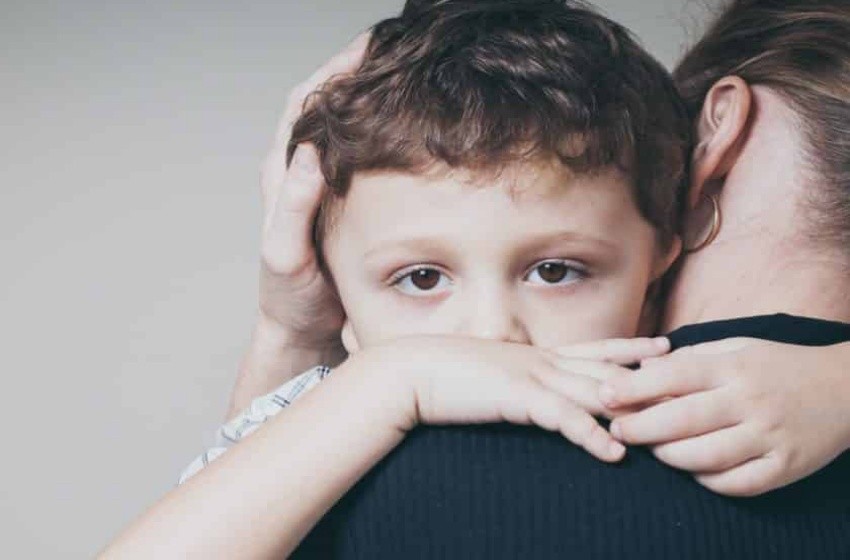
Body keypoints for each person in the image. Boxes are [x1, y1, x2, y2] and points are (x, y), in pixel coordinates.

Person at [100, 0, 850, 558]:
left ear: (661, 251)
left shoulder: (709, 400)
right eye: (422, 278)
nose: (490, 333)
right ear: (335, 288)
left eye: (555, 271)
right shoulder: (348, 407)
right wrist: (386, 379)